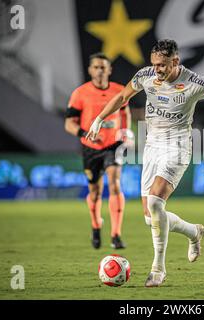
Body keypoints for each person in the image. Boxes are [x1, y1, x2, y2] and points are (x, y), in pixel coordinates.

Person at [86, 39, 204, 287]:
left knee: (154, 202)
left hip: (178, 146)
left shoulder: (195, 82)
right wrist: (99, 119)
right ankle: (194, 232)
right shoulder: (146, 75)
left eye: (162, 65)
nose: (157, 70)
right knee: (151, 218)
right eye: (154, 64)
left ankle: (158, 269)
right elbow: (122, 97)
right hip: (151, 147)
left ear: (176, 61)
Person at [65, 52, 131, 250]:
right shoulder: (80, 93)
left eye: (103, 67)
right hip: (91, 148)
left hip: (113, 145)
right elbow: (69, 124)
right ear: (90, 70)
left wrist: (125, 132)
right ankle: (96, 226)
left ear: (109, 70)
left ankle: (116, 235)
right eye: (96, 67)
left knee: (115, 185)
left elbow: (124, 111)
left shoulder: (120, 91)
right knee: (95, 192)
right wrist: (86, 134)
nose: (100, 70)